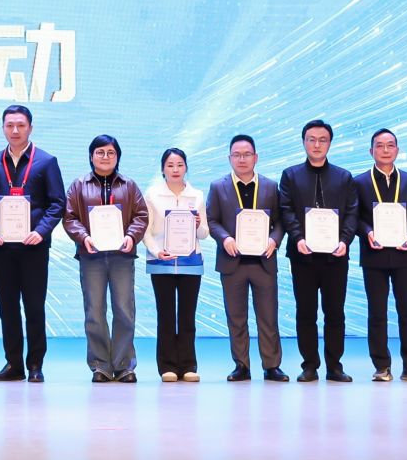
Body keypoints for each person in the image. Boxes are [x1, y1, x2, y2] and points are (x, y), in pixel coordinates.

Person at [0, 104, 67, 382]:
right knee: (7, 308)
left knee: (34, 307)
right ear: (3, 128)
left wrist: (41, 231)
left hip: (33, 248)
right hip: (2, 248)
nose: (15, 130)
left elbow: (57, 202)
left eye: (20, 125)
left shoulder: (46, 161)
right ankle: (13, 364)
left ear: (30, 127)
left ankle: (35, 364)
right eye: (9, 125)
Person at [62, 134, 150, 383]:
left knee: (124, 310)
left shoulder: (129, 185)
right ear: (91, 156)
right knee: (94, 311)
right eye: (100, 152)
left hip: (122, 256)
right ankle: (100, 365)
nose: (105, 156)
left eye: (111, 152)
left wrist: (131, 236)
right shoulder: (78, 185)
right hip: (91, 256)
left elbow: (141, 215)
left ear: (118, 156)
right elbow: (69, 217)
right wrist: (83, 237)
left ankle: (124, 366)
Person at [279, 118, 360, 382]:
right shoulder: (290, 175)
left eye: (322, 140)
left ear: (330, 143)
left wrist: (345, 240)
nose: (317, 145)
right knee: (306, 312)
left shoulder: (343, 176)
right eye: (311, 140)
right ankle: (309, 366)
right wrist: (298, 238)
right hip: (302, 255)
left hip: (336, 256)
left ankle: (335, 366)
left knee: (335, 313)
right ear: (304, 142)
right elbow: (286, 210)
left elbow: (352, 212)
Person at [205, 134, 288, 382]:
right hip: (232, 261)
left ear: (256, 157)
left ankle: (272, 366)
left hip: (264, 261)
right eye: (237, 155)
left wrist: (274, 240)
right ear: (229, 158)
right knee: (236, 317)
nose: (242, 159)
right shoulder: (218, 186)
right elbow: (212, 220)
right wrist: (224, 238)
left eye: (247, 154)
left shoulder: (271, 186)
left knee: (268, 316)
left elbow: (280, 221)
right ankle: (241, 365)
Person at [353, 129, 407, 382]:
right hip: (374, 255)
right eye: (380, 146)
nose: (385, 150)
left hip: (405, 254)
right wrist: (368, 232)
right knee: (377, 312)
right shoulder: (359, 182)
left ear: (397, 150)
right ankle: (381, 365)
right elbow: (355, 217)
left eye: (390, 145)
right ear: (371, 151)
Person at [142, 147, 207, 382]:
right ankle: (167, 366)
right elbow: (146, 231)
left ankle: (188, 365)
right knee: (166, 314)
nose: (175, 169)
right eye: (170, 165)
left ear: (186, 167)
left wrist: (198, 224)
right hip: (162, 261)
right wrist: (156, 251)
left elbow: (204, 233)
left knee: (188, 315)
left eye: (180, 165)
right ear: (163, 169)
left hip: (191, 262)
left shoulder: (197, 195)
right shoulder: (152, 195)